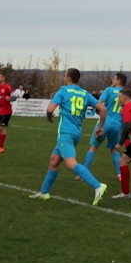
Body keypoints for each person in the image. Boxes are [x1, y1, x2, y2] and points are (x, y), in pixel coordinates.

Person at [29, 68, 108, 205]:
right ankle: (44, 192)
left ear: (69, 78)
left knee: (70, 164)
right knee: (54, 161)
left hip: (66, 133)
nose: (64, 77)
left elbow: (50, 109)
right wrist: (100, 126)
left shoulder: (63, 91)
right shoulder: (84, 93)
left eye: (65, 75)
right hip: (76, 132)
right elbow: (103, 109)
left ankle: (98, 186)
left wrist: (49, 117)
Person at [83, 73, 127, 181]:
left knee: (93, 147)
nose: (112, 80)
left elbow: (99, 103)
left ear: (119, 81)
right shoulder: (126, 94)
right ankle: (119, 175)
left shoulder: (109, 90)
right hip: (117, 125)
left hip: (105, 123)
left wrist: (98, 110)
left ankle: (82, 173)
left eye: (114, 78)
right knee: (114, 151)